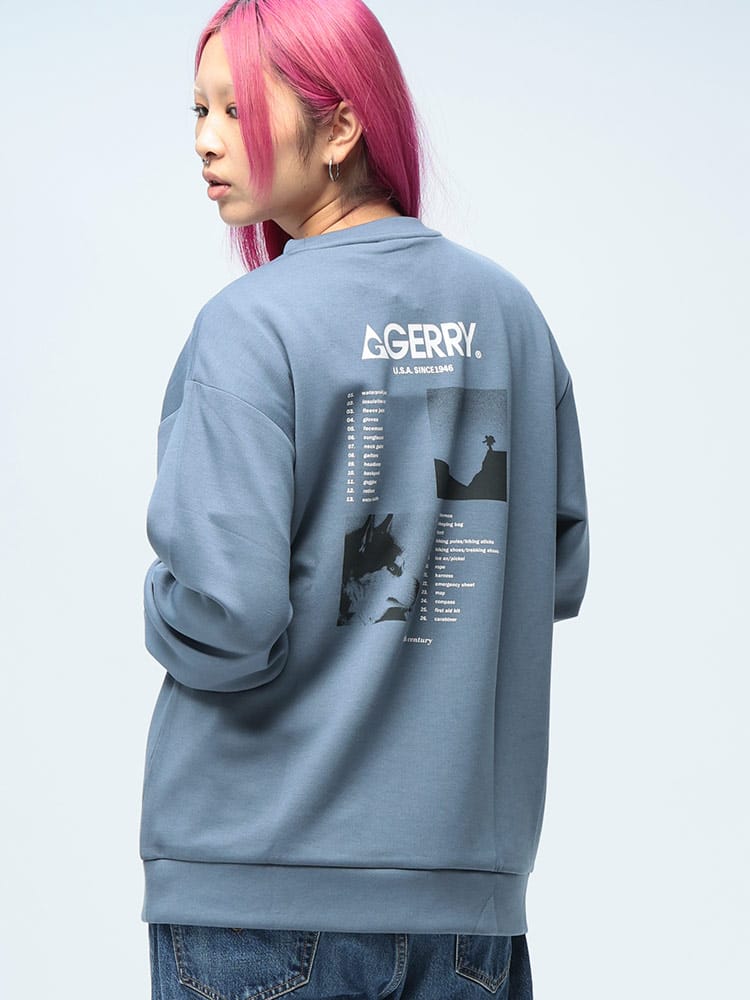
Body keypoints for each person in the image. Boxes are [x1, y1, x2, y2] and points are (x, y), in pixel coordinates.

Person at [139, 1, 590, 998]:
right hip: (465, 905)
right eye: (198, 111)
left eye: (235, 110)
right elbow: (548, 571)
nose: (206, 140)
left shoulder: (251, 328)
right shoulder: (511, 316)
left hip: (259, 889)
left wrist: (158, 606)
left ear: (340, 126)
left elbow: (226, 615)